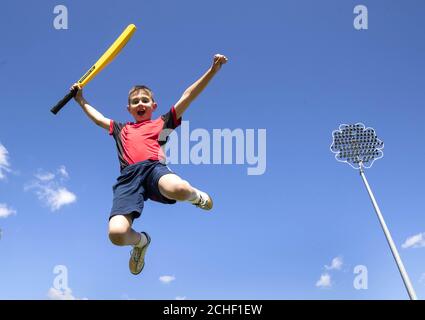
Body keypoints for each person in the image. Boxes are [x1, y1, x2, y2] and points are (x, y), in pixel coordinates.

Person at [72, 54, 228, 275]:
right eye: (135, 102)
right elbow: (98, 118)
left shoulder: (162, 123)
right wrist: (80, 100)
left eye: (144, 100)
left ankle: (197, 197)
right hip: (128, 178)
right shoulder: (121, 129)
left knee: (180, 189)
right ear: (129, 109)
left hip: (153, 168)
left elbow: (188, 96)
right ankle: (141, 242)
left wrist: (211, 71)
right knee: (116, 234)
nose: (140, 104)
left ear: (153, 105)